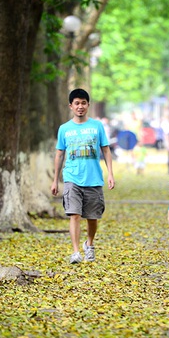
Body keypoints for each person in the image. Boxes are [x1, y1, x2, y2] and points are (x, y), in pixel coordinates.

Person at [51, 88, 115, 264]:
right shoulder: (64, 129)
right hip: (72, 177)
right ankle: (76, 252)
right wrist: (55, 180)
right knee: (74, 214)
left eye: (83, 103)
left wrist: (110, 174)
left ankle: (89, 244)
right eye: (77, 103)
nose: (80, 106)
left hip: (93, 178)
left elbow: (106, 150)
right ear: (71, 106)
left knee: (92, 217)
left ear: (88, 105)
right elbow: (59, 154)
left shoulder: (96, 126)